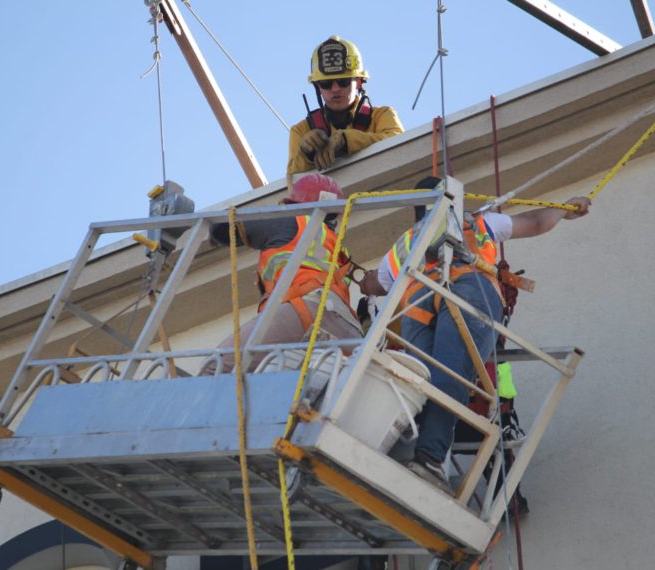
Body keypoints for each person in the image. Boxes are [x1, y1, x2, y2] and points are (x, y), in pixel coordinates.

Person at [359, 177, 591, 490]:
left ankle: (411, 454)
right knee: (452, 373)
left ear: (418, 211)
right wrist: (564, 211)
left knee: (420, 381)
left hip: (416, 305)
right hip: (468, 291)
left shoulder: (405, 242)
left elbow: (375, 285)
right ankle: (428, 458)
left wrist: (359, 279)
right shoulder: (478, 222)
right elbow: (535, 222)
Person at [200, 174, 362, 375]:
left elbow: (227, 228)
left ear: (296, 202)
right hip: (346, 328)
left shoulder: (291, 219)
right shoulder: (335, 247)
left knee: (215, 368)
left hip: (303, 312)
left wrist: (214, 231)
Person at [286, 36, 404, 183]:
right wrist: (306, 154)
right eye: (326, 84)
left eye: (343, 82)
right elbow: (293, 185)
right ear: (318, 87)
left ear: (359, 82)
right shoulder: (301, 131)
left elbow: (399, 146)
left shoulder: (383, 116)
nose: (335, 89)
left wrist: (346, 140)